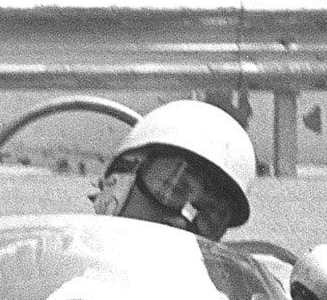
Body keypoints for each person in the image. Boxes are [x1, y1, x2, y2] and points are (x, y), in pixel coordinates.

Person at [89, 98, 256, 241]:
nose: (180, 223)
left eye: (209, 217)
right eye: (172, 190)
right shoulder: (67, 264)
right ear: (117, 182)